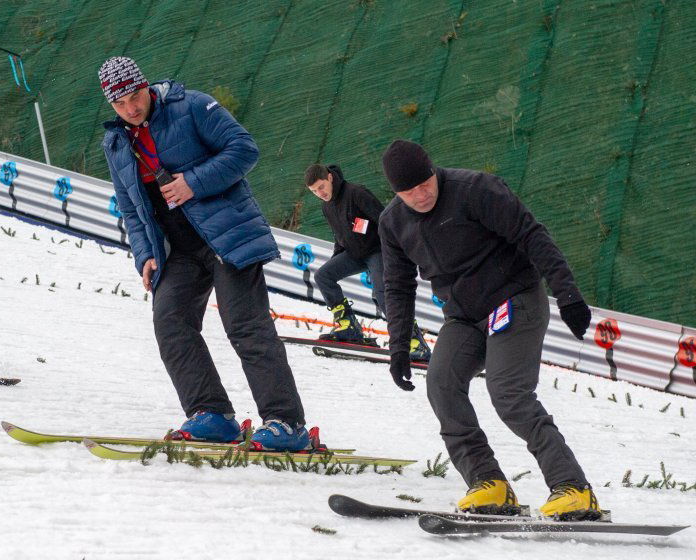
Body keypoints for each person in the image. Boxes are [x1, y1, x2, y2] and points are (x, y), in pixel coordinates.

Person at [378, 139, 601, 520]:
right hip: (464, 316)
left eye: (424, 183)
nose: (419, 195)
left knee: (508, 392)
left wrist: (568, 294)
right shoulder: (393, 222)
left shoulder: (475, 190)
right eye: (408, 190)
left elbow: (532, 234)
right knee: (442, 385)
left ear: (434, 171)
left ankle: (573, 488)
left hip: (514, 298)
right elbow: (398, 286)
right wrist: (398, 346)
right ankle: (489, 484)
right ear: (395, 192)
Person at [99, 56, 311, 450]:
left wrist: (192, 183)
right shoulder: (115, 143)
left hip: (225, 236)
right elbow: (129, 206)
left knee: (245, 327)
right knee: (170, 322)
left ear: (145, 85)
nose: (130, 108)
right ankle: (212, 415)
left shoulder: (192, 106)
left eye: (133, 96)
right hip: (176, 250)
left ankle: (286, 422)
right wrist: (144, 252)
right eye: (119, 103)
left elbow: (244, 149)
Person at [304, 163, 430, 360]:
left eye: (321, 187)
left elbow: (385, 220)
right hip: (354, 254)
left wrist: (396, 251)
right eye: (314, 191)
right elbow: (340, 237)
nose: (320, 193)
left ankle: (414, 342)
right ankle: (349, 328)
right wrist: (336, 260)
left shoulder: (356, 193)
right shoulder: (326, 206)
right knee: (324, 276)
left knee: (383, 295)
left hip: (378, 250)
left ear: (329, 177)